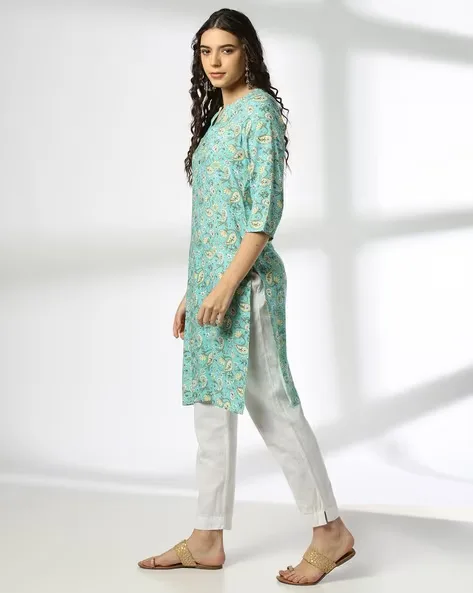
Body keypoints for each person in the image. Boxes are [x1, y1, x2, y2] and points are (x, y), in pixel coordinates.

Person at [138, 8, 356, 586]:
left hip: (246, 284)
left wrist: (227, 284)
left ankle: (330, 530)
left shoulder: (258, 112)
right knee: (211, 411)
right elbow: (213, 219)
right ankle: (207, 537)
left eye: (226, 50)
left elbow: (263, 214)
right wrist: (194, 291)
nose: (214, 61)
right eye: (205, 51)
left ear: (248, 53)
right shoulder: (217, 119)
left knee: (273, 406)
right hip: (211, 287)